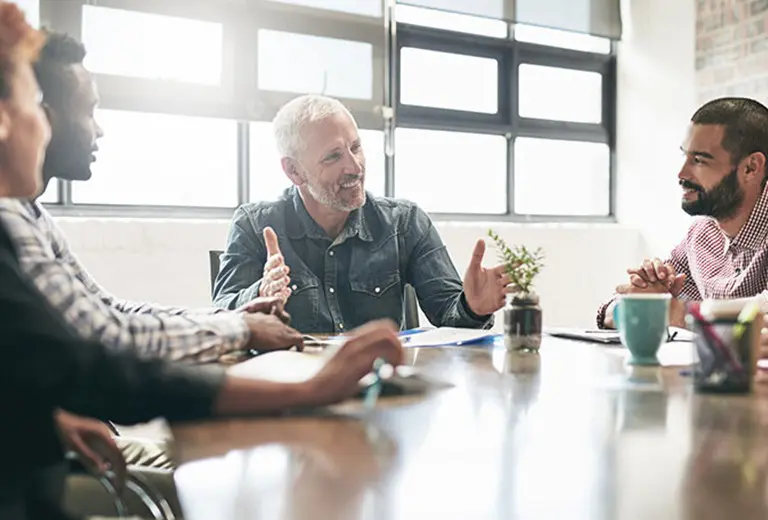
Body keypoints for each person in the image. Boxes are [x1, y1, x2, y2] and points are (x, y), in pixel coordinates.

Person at [0, 8, 403, 518]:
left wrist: (46, 415)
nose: (352, 164)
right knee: (245, 481)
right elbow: (102, 350)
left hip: (49, 448)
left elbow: (95, 319)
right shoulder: (6, 219)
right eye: (30, 104)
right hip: (30, 489)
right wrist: (282, 365)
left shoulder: (28, 214)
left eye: (356, 147)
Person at [213, 94, 513, 333]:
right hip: (298, 394)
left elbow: (449, 314)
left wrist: (474, 307)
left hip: (385, 392)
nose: (355, 167)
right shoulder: (254, 225)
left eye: (355, 147)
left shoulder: (405, 222)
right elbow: (221, 318)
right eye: (333, 156)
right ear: (294, 170)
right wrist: (260, 293)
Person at [597, 97, 768, 329]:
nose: (681, 173)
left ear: (751, 168)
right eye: (685, 156)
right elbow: (620, 308)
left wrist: (680, 315)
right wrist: (634, 305)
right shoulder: (702, 233)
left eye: (698, 160)